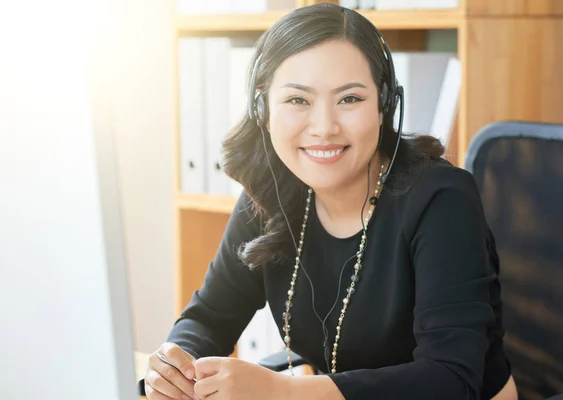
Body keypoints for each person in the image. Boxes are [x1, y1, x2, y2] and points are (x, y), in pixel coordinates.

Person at [143, 3, 519, 400]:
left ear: (384, 105)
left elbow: (451, 381)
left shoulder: (441, 200)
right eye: (297, 100)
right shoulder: (272, 192)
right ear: (263, 109)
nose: (324, 128)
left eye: (349, 99)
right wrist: (174, 367)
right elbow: (209, 316)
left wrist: (284, 392)